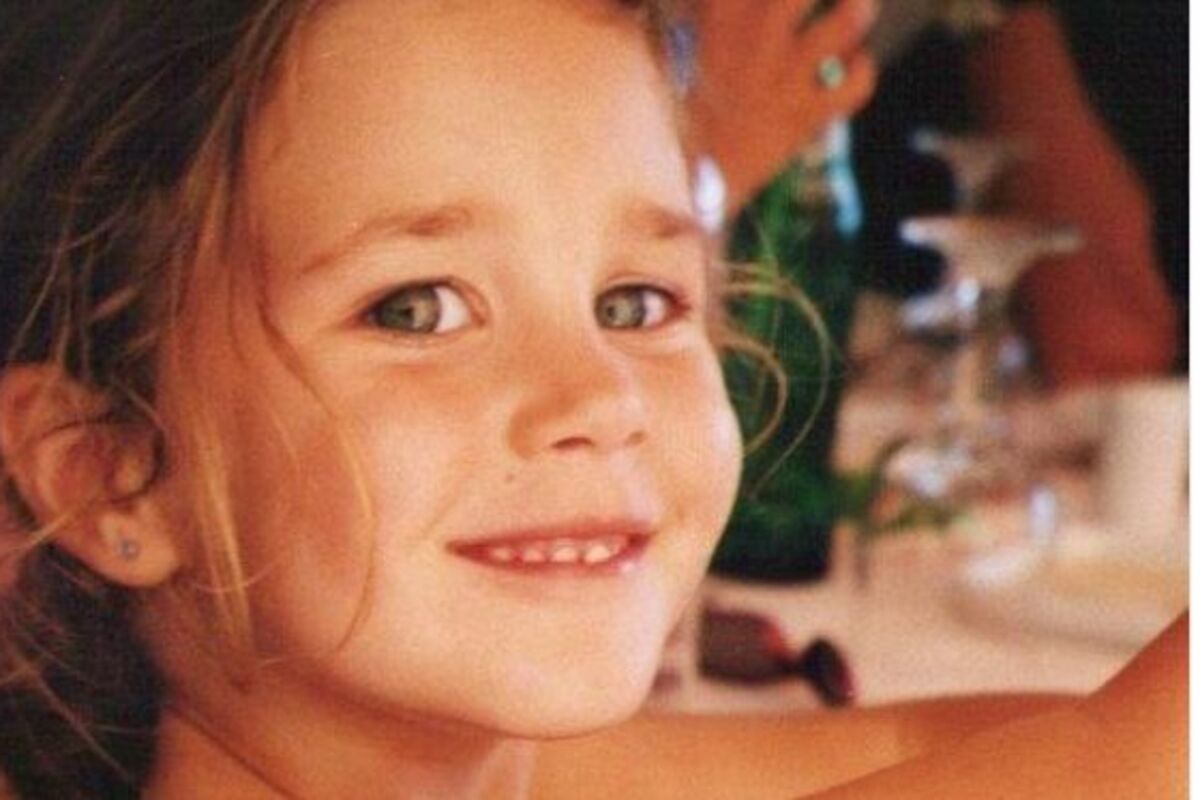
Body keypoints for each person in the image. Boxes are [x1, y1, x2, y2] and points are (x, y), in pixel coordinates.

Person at [0, 1, 1185, 798]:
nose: (599, 393)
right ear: (110, 475)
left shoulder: (491, 767)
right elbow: (1114, 759)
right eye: (418, 308)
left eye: (634, 301)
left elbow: (943, 742)